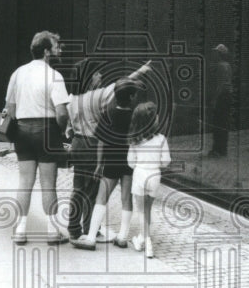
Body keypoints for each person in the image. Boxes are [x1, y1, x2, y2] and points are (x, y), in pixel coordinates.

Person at [65, 60, 151, 239]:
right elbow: (121, 85)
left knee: (78, 188)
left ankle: (73, 228)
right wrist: (141, 70)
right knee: (93, 190)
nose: (100, 76)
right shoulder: (96, 95)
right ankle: (90, 229)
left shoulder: (72, 98)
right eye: (97, 74)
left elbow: (69, 128)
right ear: (89, 78)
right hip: (91, 145)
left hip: (77, 144)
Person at [5, 31, 71, 244]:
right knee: (48, 184)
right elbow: (62, 112)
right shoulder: (54, 76)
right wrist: (60, 131)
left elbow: (10, 108)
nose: (59, 49)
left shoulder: (17, 73)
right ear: (46, 51)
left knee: (24, 182)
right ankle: (52, 231)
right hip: (47, 130)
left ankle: (20, 231)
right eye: (55, 46)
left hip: (22, 130)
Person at [72, 78, 141, 250]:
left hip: (111, 161)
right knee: (126, 198)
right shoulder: (135, 116)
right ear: (132, 97)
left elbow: (101, 141)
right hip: (129, 162)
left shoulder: (107, 115)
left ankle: (90, 238)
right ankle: (123, 237)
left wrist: (98, 164)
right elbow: (138, 140)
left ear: (115, 97)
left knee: (101, 198)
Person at [127, 101, 171, 259]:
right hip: (154, 176)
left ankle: (147, 241)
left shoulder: (135, 140)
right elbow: (166, 161)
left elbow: (130, 162)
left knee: (140, 211)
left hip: (139, 174)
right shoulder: (161, 139)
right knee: (147, 210)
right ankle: (141, 239)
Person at [208, 43, 232, 157]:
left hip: (222, 96)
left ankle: (217, 149)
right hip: (228, 95)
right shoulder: (228, 65)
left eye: (216, 53)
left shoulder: (220, 66)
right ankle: (223, 149)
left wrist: (214, 99)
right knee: (224, 122)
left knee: (218, 122)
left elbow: (220, 84)